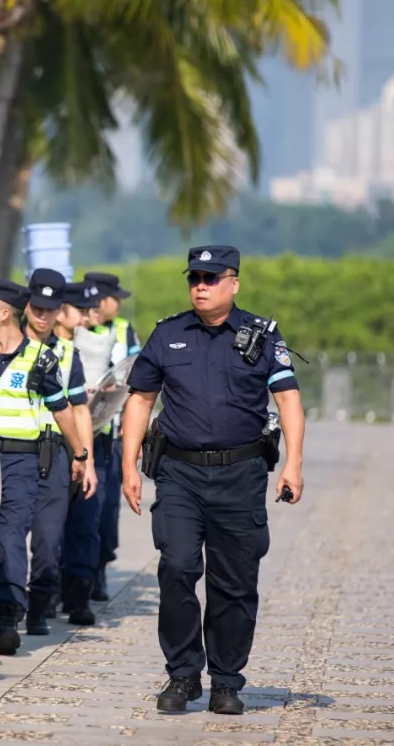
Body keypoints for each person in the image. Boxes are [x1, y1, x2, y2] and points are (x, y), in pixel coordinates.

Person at [121, 246, 304, 716]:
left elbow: (287, 398)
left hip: (241, 475)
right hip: (179, 474)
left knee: (234, 582)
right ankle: (183, 674)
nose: (200, 287)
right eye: (194, 278)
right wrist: (128, 465)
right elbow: (140, 400)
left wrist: (294, 463)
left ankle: (226, 680)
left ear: (234, 283)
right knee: (177, 567)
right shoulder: (168, 334)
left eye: (211, 278)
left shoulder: (261, 335)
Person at [0, 278, 87, 655]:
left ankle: (8, 614)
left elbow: (62, 410)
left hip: (21, 459)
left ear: (4, 312)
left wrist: (80, 453)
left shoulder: (41, 358)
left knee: (11, 535)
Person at [20, 269, 97, 636]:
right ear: (26, 305)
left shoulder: (67, 354)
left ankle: (38, 607)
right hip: (10, 452)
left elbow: (80, 409)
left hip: (55, 454)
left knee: (49, 543)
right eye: (37, 307)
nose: (42, 315)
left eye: (50, 309)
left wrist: (87, 460)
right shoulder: (3, 346)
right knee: (1, 544)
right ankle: (1, 611)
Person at [83, 271, 140, 602]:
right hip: (78, 432)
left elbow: (138, 377)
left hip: (111, 432)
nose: (117, 304)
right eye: (114, 298)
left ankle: (100, 567)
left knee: (107, 507)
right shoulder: (73, 325)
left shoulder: (124, 330)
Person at [58, 281, 108, 625]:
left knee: (84, 522)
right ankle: (46, 592)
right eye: (81, 309)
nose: (88, 316)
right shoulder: (41, 348)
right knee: (50, 529)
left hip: (88, 442)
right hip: (49, 447)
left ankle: (79, 595)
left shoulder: (90, 344)